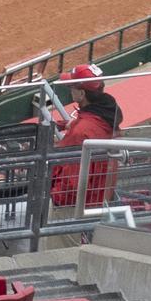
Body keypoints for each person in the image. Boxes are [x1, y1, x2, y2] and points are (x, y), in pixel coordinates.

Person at [51, 65, 121, 211]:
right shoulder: (106, 116)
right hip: (99, 199)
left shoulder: (82, 132)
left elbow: (71, 185)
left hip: (76, 209)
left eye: (72, 87)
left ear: (82, 94)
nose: (70, 89)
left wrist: (51, 198)